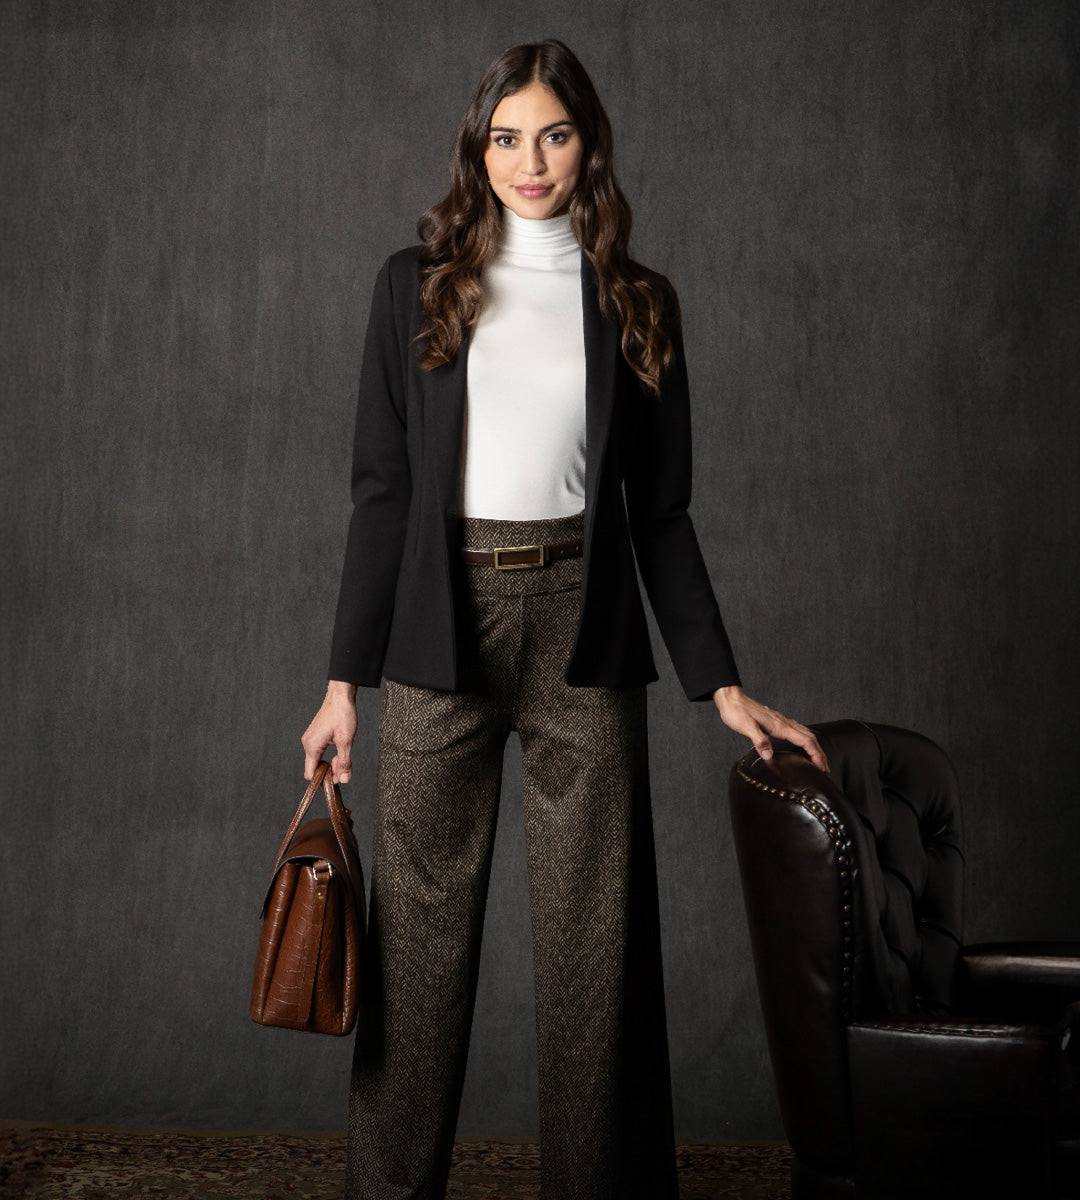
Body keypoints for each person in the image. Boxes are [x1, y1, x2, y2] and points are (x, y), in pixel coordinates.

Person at [302, 38, 827, 1200]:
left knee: (600, 958)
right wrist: (344, 686)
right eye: (506, 138)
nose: (529, 162)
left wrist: (722, 685)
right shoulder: (412, 285)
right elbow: (382, 494)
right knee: (416, 956)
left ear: (589, 145)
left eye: (554, 134)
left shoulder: (637, 301)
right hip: (441, 627)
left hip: (583, 632)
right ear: (476, 149)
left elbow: (662, 514)